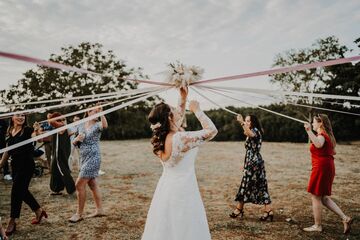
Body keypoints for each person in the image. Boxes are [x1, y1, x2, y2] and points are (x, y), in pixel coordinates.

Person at [141, 87, 218, 240]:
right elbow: (212, 130)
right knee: (185, 227)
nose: (178, 111)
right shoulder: (180, 139)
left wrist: (183, 97)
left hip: (166, 188)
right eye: (174, 110)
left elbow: (178, 117)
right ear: (169, 117)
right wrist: (197, 110)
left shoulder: (160, 138)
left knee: (167, 226)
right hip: (184, 189)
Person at [303, 114, 352, 234]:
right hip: (325, 166)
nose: (312, 124)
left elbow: (318, 144)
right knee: (323, 198)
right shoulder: (327, 136)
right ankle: (345, 218)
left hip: (322, 168)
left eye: (314, 122)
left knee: (315, 196)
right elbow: (332, 151)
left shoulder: (322, 135)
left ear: (320, 123)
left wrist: (309, 131)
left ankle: (317, 226)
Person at [0, 113, 47, 236]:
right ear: (12, 117)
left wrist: (37, 131)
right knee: (22, 191)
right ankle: (38, 210)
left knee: (16, 191)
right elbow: (7, 150)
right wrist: (0, 164)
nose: (21, 117)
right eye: (18, 115)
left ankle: (13, 220)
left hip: (27, 164)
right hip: (15, 166)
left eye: (23, 115)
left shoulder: (28, 130)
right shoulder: (9, 131)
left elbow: (38, 139)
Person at [230, 114, 273, 221]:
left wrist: (241, 122)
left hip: (254, 164)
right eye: (246, 121)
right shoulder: (251, 131)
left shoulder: (255, 131)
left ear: (253, 122)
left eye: (248, 121)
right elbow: (246, 132)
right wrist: (243, 124)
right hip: (251, 162)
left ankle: (240, 209)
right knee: (252, 185)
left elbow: (249, 133)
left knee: (252, 185)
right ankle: (267, 210)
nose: (246, 122)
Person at [69, 105, 108, 223]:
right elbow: (73, 140)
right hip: (83, 157)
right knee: (92, 184)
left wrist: (102, 114)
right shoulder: (81, 125)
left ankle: (79, 214)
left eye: (98, 112)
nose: (96, 113)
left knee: (79, 185)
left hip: (94, 157)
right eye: (94, 112)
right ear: (88, 112)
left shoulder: (97, 126)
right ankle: (100, 210)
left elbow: (105, 126)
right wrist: (76, 140)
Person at [47, 112, 76, 196]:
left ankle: (72, 189)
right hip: (56, 152)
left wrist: (50, 118)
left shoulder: (62, 127)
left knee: (62, 169)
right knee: (55, 169)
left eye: (63, 119)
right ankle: (57, 189)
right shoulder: (55, 128)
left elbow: (52, 122)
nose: (63, 121)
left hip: (62, 152)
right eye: (60, 120)